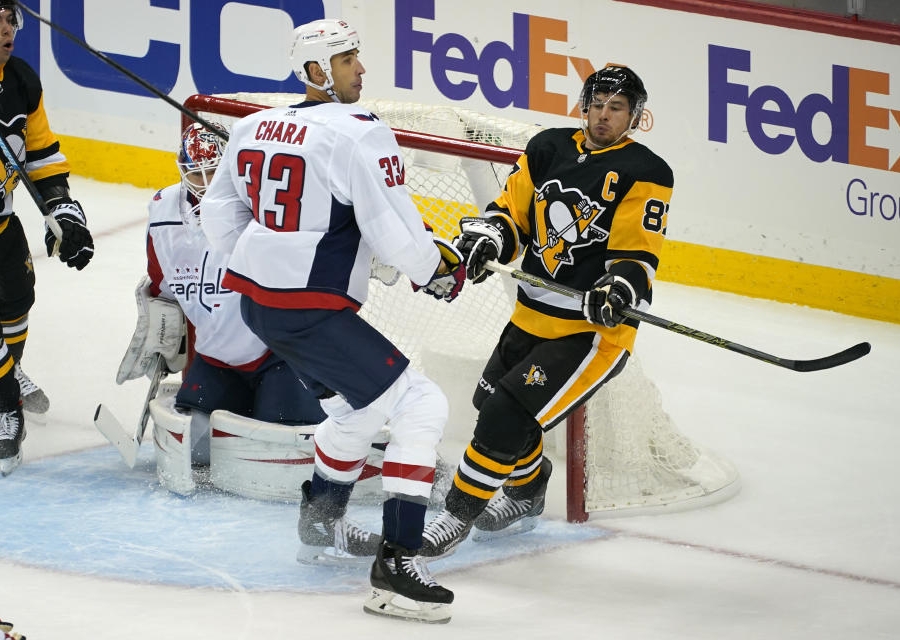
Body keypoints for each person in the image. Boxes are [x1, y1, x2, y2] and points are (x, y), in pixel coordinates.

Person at [201, 18, 465, 623]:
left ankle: (320, 520)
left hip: (260, 306)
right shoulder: (359, 134)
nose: (361, 70)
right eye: (348, 60)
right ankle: (397, 568)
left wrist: (268, 257)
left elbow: (217, 212)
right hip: (311, 312)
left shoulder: (250, 125)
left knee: (359, 408)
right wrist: (436, 271)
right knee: (421, 406)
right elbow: (393, 228)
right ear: (317, 72)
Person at [420, 65, 674, 556]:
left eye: (616, 108)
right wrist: (490, 237)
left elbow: (638, 254)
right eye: (596, 104)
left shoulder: (647, 171)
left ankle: (455, 517)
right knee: (488, 400)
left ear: (635, 117)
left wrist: (618, 287)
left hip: (589, 334)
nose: (603, 115)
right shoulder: (548, 147)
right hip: (530, 316)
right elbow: (510, 214)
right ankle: (528, 489)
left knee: (506, 416)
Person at [115, 121, 326, 470]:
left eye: (215, 171)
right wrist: (162, 332)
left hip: (280, 355)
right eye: (197, 175)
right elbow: (161, 284)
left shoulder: (263, 207)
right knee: (197, 453)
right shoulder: (164, 211)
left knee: (278, 448)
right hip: (217, 359)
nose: (208, 184)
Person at [0, 0, 94, 474]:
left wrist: (66, 214)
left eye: (9, 20)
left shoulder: (20, 79)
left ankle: (5, 370)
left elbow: (40, 155)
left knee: (16, 304)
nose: (7, 30)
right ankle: (7, 410)